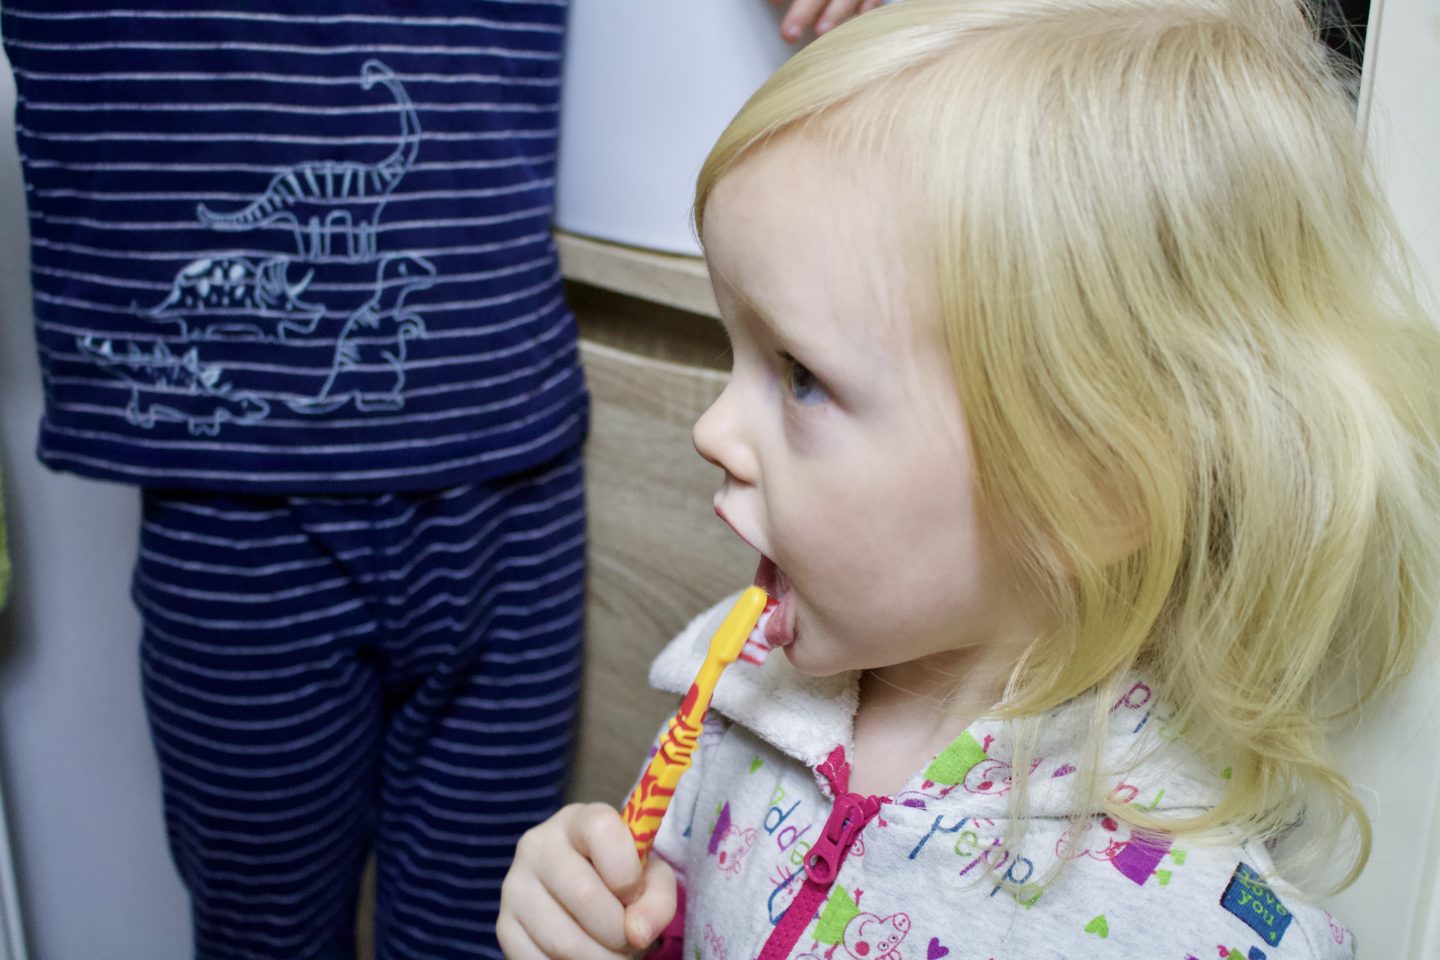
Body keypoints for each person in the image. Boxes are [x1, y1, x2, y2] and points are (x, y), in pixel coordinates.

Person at [496, 1, 1440, 957]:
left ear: (1090, 490)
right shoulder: (744, 684)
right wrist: (614, 922)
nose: (712, 429)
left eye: (803, 376)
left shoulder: (1180, 925)